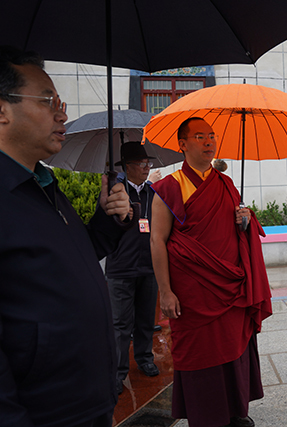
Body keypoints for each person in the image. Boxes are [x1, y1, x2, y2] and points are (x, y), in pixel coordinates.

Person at [0, 45, 131, 426]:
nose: (62, 114)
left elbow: (74, 260)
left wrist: (109, 219)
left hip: (87, 399)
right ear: (2, 110)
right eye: (47, 101)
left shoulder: (43, 185)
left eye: (60, 102)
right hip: (44, 411)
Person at [150, 117, 272, 427]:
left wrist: (245, 221)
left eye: (212, 136)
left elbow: (237, 230)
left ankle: (234, 411)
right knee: (200, 353)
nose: (209, 142)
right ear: (182, 144)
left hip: (230, 285)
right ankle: (206, 417)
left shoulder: (226, 184)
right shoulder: (169, 187)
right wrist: (165, 292)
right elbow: (157, 240)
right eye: (200, 136)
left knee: (234, 347)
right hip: (193, 291)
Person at [106, 141, 161, 395]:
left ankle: (145, 358)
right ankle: (117, 372)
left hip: (149, 267)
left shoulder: (153, 193)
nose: (147, 168)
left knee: (146, 319)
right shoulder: (115, 192)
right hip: (121, 268)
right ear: (127, 166)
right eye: (141, 164)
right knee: (120, 324)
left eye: (148, 163)